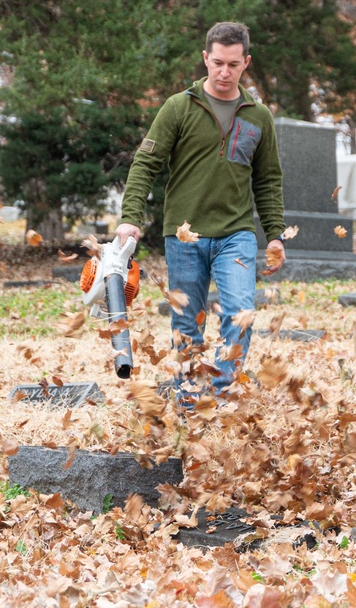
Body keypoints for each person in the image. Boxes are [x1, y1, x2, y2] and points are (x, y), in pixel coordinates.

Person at [116, 21, 285, 403]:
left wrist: (274, 233)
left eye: (233, 64)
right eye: (218, 62)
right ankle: (190, 400)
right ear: (205, 58)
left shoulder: (259, 117)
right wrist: (131, 217)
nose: (224, 72)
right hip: (184, 236)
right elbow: (145, 164)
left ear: (246, 63)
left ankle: (222, 397)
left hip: (236, 234)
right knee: (186, 324)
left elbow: (269, 180)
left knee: (240, 313)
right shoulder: (179, 107)